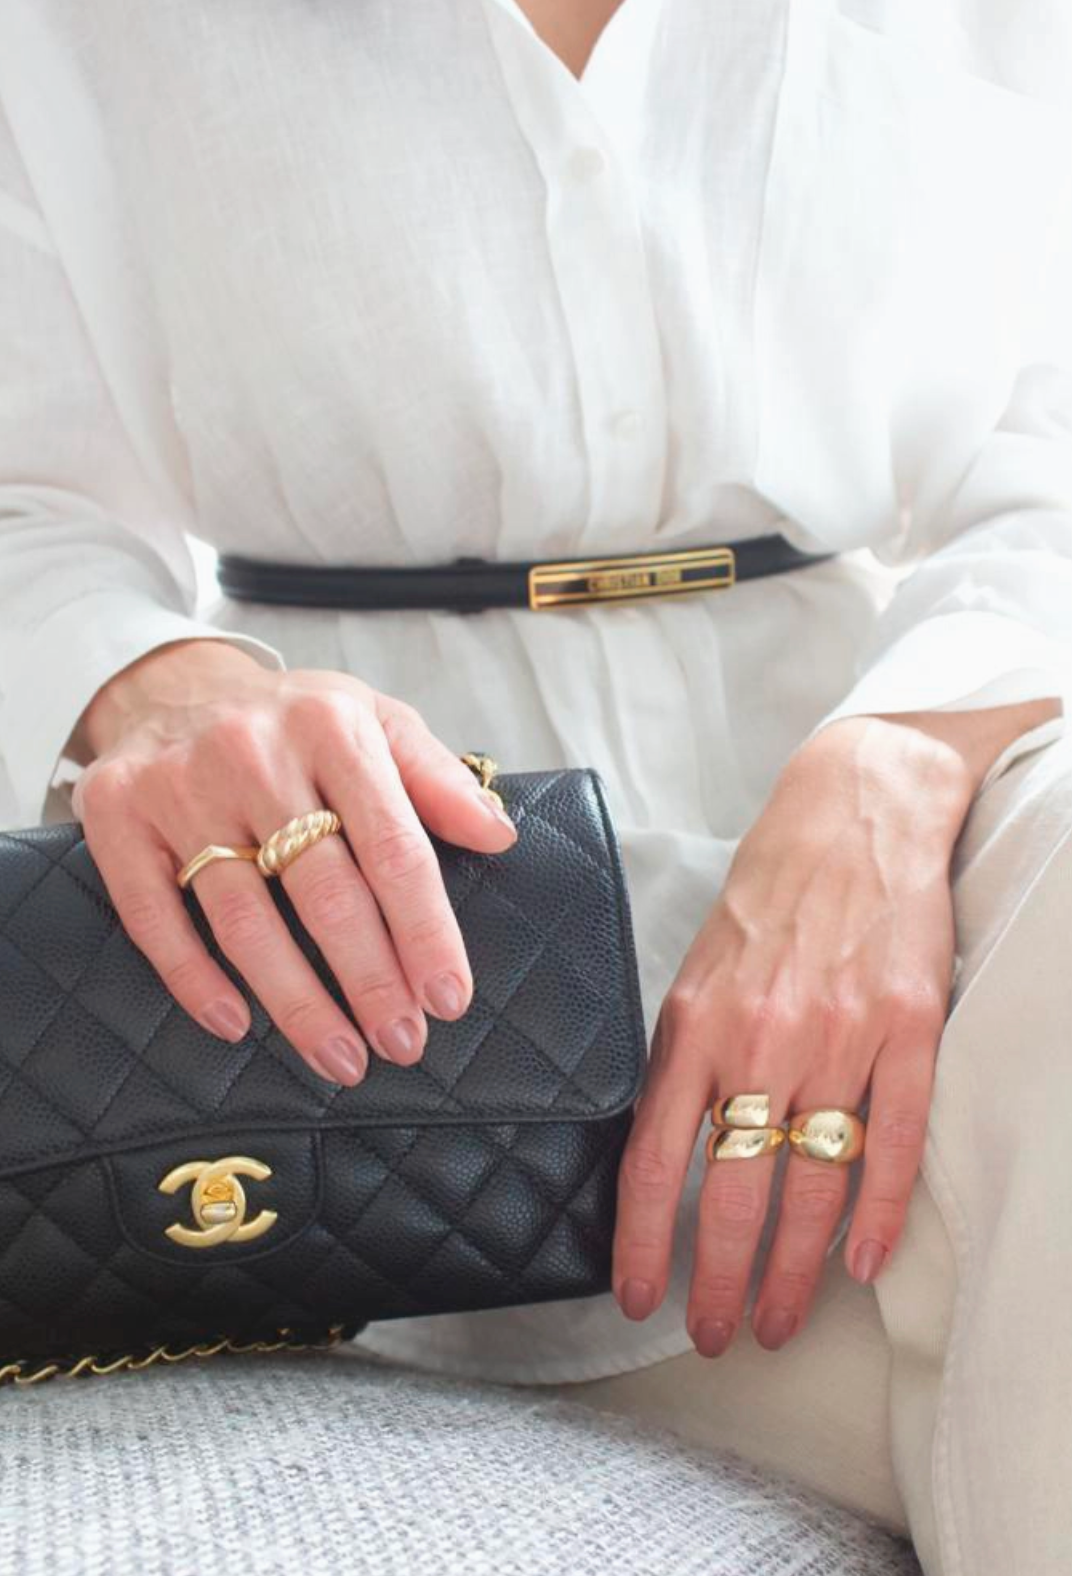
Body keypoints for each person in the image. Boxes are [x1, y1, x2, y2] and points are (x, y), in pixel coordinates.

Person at [1, 1, 1071, 1570]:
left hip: (936, 806)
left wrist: (902, 757)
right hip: (383, 1024)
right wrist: (163, 688)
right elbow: (25, 499)